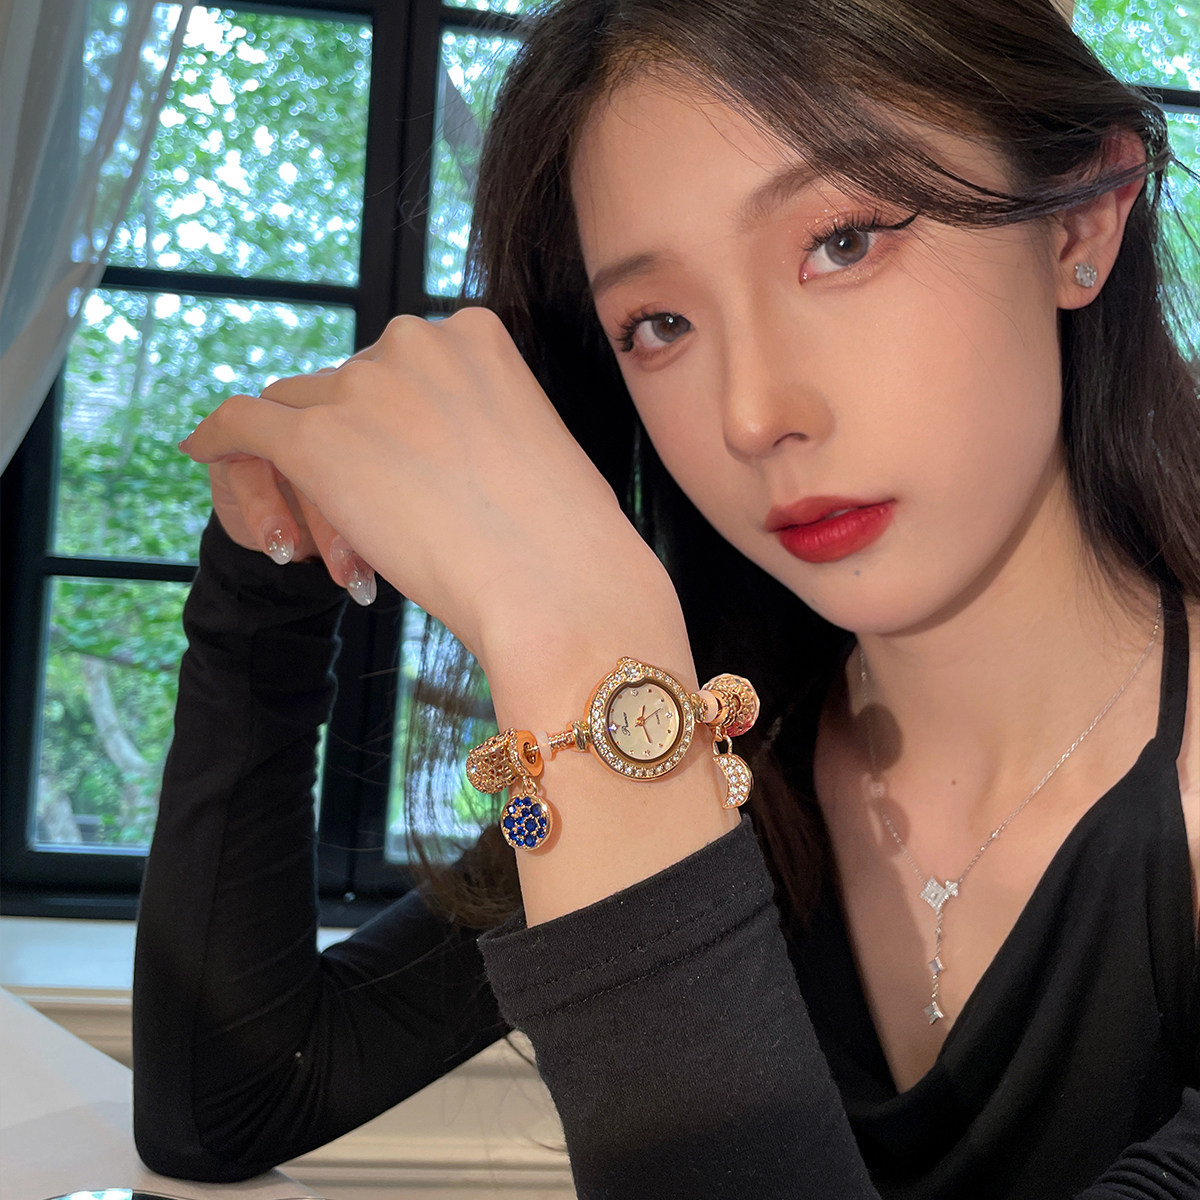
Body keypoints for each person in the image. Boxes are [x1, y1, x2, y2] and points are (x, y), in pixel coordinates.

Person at [132, 0, 1200, 1196]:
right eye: (660, 323)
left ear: (1080, 223)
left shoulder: (659, 742)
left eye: (844, 241)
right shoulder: (747, 743)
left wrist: (586, 661)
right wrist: (270, 567)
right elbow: (232, 1097)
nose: (753, 414)